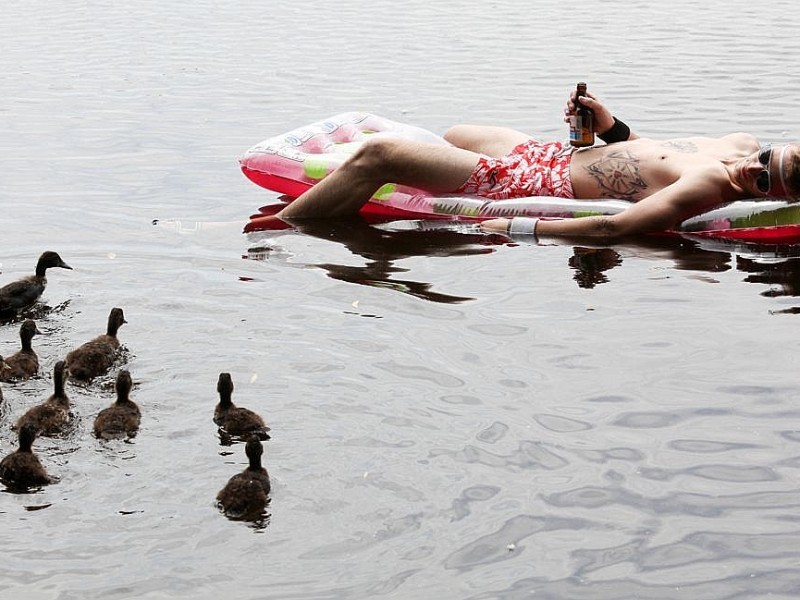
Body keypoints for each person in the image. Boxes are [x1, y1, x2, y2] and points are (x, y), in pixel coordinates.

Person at [274, 88, 800, 239]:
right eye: (764, 161)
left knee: (379, 154)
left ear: (772, 198)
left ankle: (275, 227)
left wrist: (522, 225)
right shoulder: (737, 142)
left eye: (760, 185)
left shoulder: (710, 185)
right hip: (548, 152)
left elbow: (616, 228)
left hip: (521, 181)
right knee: (458, 131)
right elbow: (655, 153)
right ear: (772, 146)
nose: (748, 172)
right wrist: (610, 125)